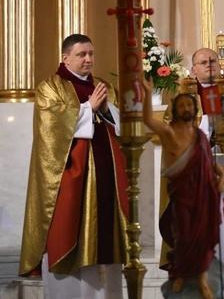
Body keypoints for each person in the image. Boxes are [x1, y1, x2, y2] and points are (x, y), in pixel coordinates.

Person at [19, 34, 129, 298]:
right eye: (82, 55)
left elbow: (118, 124)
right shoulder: (50, 87)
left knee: (107, 242)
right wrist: (88, 108)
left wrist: (103, 110)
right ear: (65, 58)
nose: (89, 59)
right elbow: (50, 130)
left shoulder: (102, 85)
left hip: (105, 178)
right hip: (70, 179)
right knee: (67, 231)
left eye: (91, 53)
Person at [142, 78, 224, 299]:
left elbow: (208, 160)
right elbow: (148, 119)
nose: (186, 108)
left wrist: (222, 174)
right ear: (175, 110)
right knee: (183, 238)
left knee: (202, 240)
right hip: (182, 196)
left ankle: (201, 280)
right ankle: (179, 275)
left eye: (189, 105)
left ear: (195, 109)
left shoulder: (200, 136)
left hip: (202, 195)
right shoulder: (169, 133)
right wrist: (148, 94)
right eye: (182, 106)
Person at [164, 47, 224, 141]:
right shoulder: (183, 95)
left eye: (213, 61)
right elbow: (169, 124)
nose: (209, 65)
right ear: (193, 70)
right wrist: (204, 123)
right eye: (203, 62)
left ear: (219, 66)